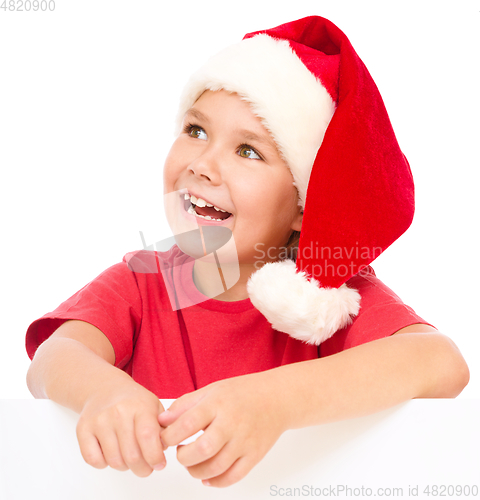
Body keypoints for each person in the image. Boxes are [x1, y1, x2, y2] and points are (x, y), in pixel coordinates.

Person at [25, 16, 469, 488]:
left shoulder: (327, 296)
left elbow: (441, 363)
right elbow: (53, 358)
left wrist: (272, 401)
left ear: (303, 205)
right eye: (196, 130)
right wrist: (104, 392)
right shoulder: (142, 281)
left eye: (249, 151)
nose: (203, 164)